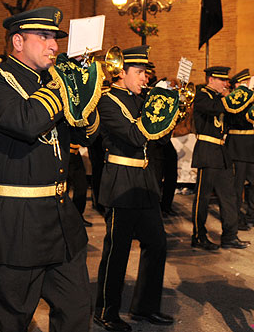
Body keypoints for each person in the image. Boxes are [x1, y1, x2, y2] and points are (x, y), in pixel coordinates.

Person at [0, 6, 102, 332]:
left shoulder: (50, 81)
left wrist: (84, 93)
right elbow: (26, 121)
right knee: (12, 320)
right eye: (44, 37)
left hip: (59, 218)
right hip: (14, 220)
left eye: (55, 38)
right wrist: (64, 86)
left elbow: (85, 134)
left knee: (76, 311)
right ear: (18, 41)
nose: (54, 45)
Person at [94, 45, 179, 332]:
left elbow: (159, 140)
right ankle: (105, 311)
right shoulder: (107, 101)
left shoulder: (141, 99)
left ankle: (145, 306)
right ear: (121, 72)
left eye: (146, 73)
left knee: (157, 244)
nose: (145, 78)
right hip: (120, 182)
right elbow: (134, 135)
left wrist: (169, 113)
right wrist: (156, 110)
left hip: (144, 181)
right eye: (140, 72)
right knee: (117, 251)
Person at [191, 66, 253, 250]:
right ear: (211, 79)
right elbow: (213, 109)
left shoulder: (221, 99)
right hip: (207, 149)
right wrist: (232, 98)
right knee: (202, 197)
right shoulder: (202, 95)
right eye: (222, 80)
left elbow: (234, 119)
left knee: (229, 195)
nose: (226, 83)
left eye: (226, 80)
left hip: (221, 151)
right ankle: (198, 236)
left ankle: (230, 235)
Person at [225, 69, 254, 230]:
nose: (247, 85)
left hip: (252, 146)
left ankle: (253, 215)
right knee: (237, 185)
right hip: (237, 145)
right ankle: (235, 218)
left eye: (247, 82)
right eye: (243, 83)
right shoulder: (232, 100)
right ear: (236, 85)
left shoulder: (251, 98)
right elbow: (239, 119)